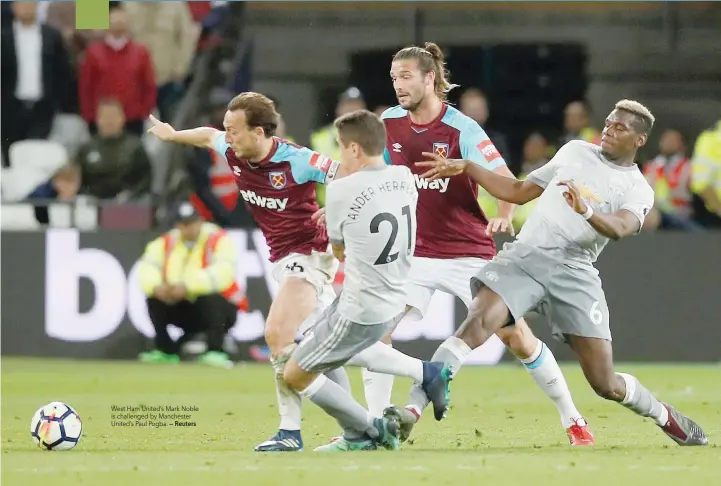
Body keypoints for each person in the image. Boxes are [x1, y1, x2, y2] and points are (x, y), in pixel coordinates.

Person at [406, 99, 709, 447]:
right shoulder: (575, 151)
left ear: (639, 140)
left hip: (576, 271)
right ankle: (412, 409)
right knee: (479, 318)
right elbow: (518, 192)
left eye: (619, 128)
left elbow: (619, 228)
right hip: (527, 255)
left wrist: (587, 211)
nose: (608, 131)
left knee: (604, 382)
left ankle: (663, 415)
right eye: (608, 123)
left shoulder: (638, 188)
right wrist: (468, 167)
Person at [148, 92, 434, 452]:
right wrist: (173, 134)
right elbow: (206, 135)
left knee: (277, 336)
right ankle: (399, 396)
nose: (228, 136)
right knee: (328, 349)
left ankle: (292, 431)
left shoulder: (296, 160)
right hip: (284, 259)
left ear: (259, 132)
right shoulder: (233, 150)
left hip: (309, 255)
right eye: (227, 129)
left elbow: (346, 171)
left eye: (234, 130)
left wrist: (334, 208)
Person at [355, 42, 591, 446]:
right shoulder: (389, 122)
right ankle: (375, 428)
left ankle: (573, 418)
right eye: (394, 78)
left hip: (467, 251)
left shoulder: (461, 128)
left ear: (430, 78)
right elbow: (367, 172)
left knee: (517, 338)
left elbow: (502, 178)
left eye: (406, 76)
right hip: (412, 253)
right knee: (376, 331)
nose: (398, 86)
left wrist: (502, 212)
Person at [283, 109, 451, 452]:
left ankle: (367, 432)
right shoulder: (404, 175)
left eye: (342, 148)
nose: (340, 157)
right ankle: (426, 373)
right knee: (320, 343)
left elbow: (341, 251)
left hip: (361, 307)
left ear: (355, 150)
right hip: (393, 295)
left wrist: (337, 213)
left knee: (295, 374)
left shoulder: (342, 190)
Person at [136, 202, 247, 367]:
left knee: (211, 299)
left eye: (192, 223)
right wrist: (157, 287)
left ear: (200, 221)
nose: (188, 228)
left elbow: (223, 274)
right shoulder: (167, 242)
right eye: (184, 224)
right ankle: (166, 350)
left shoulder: (218, 239)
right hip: (183, 307)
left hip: (221, 311)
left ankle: (215, 350)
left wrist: (188, 286)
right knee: (153, 300)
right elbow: (147, 268)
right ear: (177, 225)